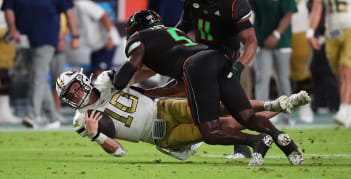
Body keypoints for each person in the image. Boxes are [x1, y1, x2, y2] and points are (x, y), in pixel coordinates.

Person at [112, 9, 304, 165]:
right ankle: (281, 138)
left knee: (211, 130)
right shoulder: (174, 34)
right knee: (242, 115)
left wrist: (116, 84)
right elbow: (180, 86)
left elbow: (121, 80)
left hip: (199, 68)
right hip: (217, 58)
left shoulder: (139, 39)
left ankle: (258, 133)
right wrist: (148, 93)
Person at [55, 69, 310, 161]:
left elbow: (138, 72)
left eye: (77, 86)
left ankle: (274, 103)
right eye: (71, 93)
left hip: (162, 107)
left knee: (218, 106)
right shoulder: (82, 120)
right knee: (218, 128)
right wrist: (96, 135)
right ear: (67, 100)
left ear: (83, 80)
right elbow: (119, 151)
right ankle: (271, 116)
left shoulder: (104, 80)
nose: (78, 93)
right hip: (159, 135)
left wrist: (160, 61)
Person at [175, 0, 258, 159]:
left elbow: (251, 41)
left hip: (225, 58)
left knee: (233, 106)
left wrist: (239, 66)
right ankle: (186, 139)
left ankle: (245, 144)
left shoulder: (236, 1)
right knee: (187, 97)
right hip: (200, 55)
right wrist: (171, 43)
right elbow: (184, 23)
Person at [2, 0, 79, 128]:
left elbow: (68, 11)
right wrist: (13, 30)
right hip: (23, 38)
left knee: (37, 75)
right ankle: (52, 117)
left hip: (47, 38)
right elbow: (8, 8)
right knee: (37, 77)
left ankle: (33, 115)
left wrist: (75, 35)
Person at [307, 0, 351, 127]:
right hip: (331, 33)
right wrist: (310, 32)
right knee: (339, 74)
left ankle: (344, 109)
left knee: (346, 69)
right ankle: (350, 109)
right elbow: (317, 8)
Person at [275, 0, 317, 123]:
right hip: (279, 28)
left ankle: (305, 105)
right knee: (278, 72)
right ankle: (277, 108)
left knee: (301, 69)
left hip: (300, 27)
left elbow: (316, 0)